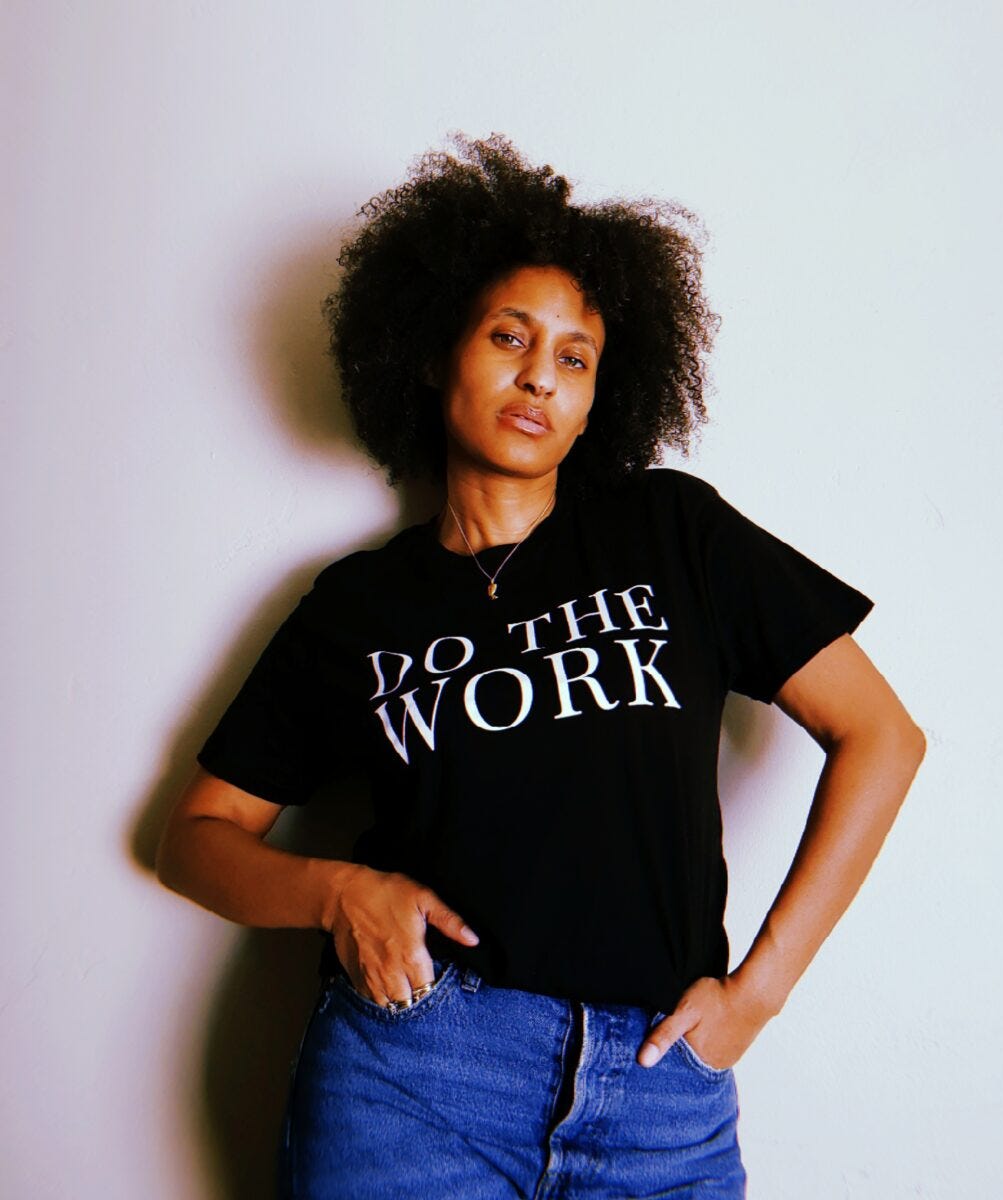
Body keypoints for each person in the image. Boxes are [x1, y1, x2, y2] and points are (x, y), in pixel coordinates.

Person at [156, 133, 926, 1199]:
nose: (540, 377)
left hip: (662, 1088)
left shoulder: (671, 532)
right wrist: (339, 893)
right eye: (510, 337)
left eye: (575, 357)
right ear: (434, 354)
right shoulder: (358, 606)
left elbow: (883, 737)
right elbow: (195, 841)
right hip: (415, 1079)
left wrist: (760, 992)